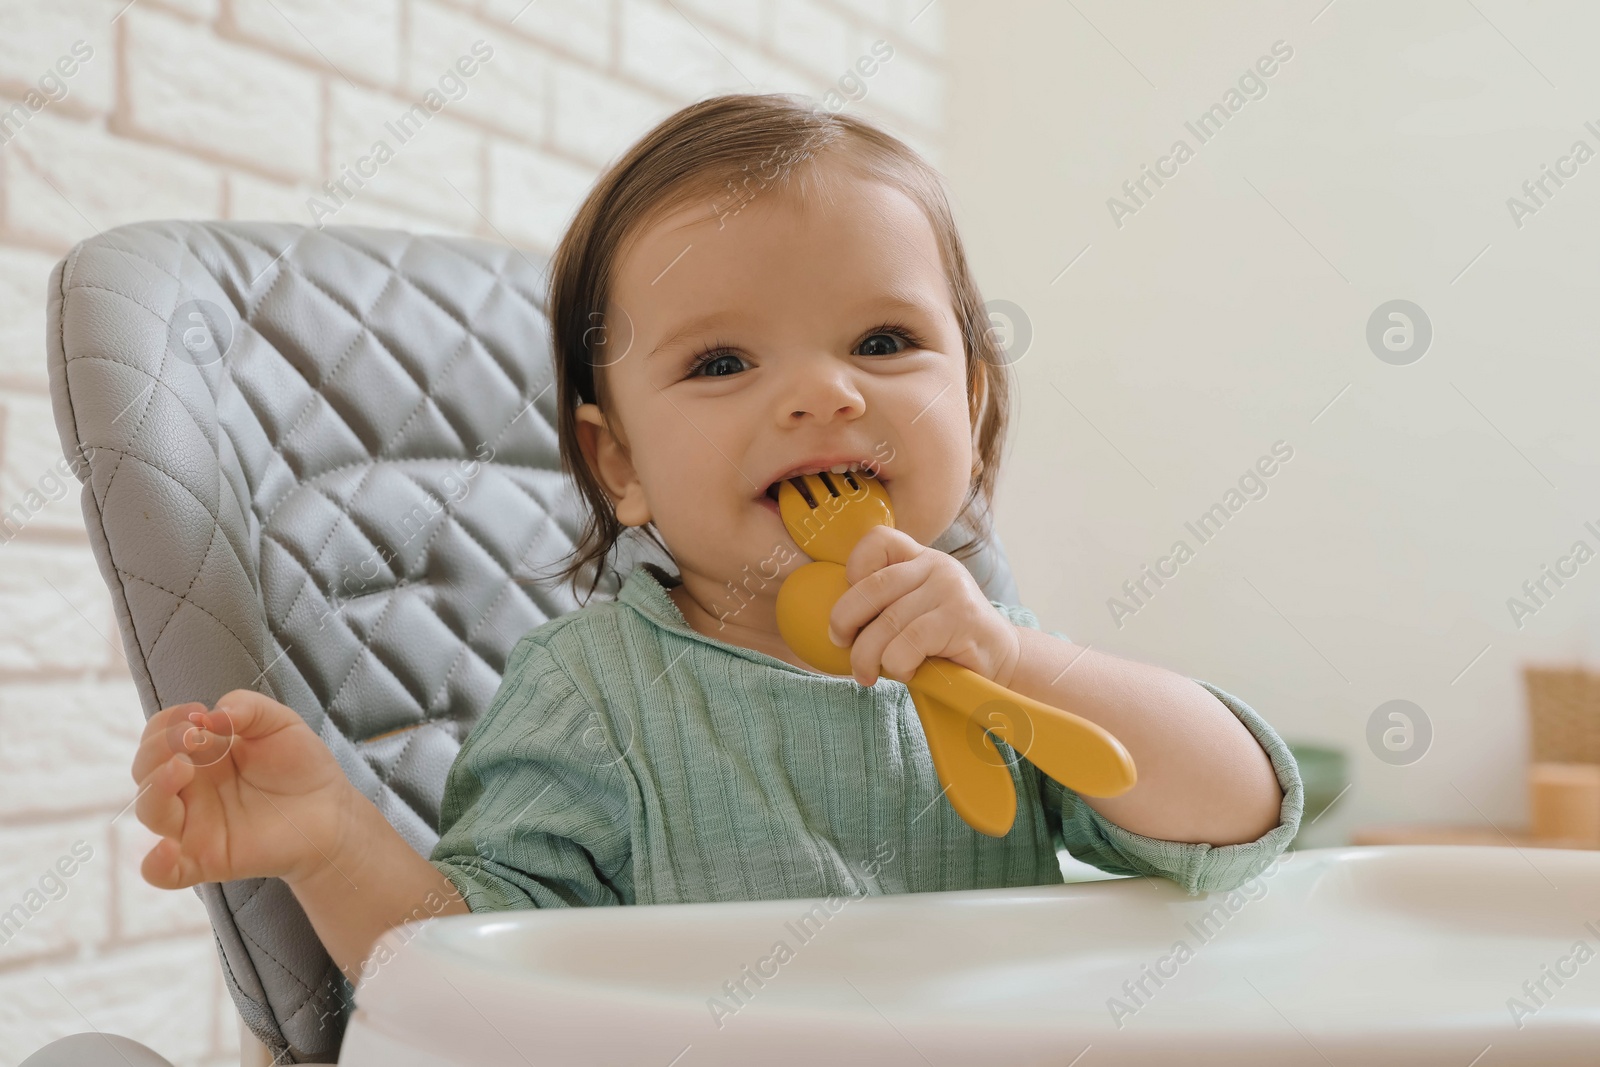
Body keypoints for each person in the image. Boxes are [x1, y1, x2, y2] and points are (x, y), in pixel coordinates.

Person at [131, 93, 1302, 988]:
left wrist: (1019, 664)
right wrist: (332, 841)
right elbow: (477, 976)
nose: (823, 394)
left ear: (978, 403)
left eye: (885, 340)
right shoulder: (595, 693)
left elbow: (1239, 812)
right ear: (621, 465)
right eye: (722, 363)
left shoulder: (989, 654)